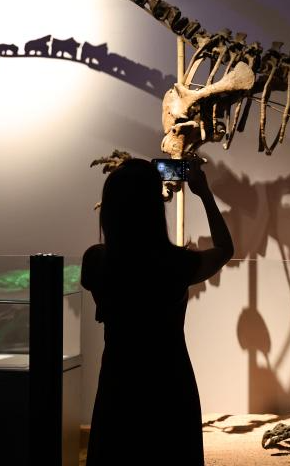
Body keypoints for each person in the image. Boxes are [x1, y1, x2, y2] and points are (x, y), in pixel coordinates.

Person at [81, 158, 233, 466]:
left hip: (119, 383)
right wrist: (203, 193)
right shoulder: (178, 263)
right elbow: (224, 249)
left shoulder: (96, 261)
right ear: (154, 208)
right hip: (170, 383)